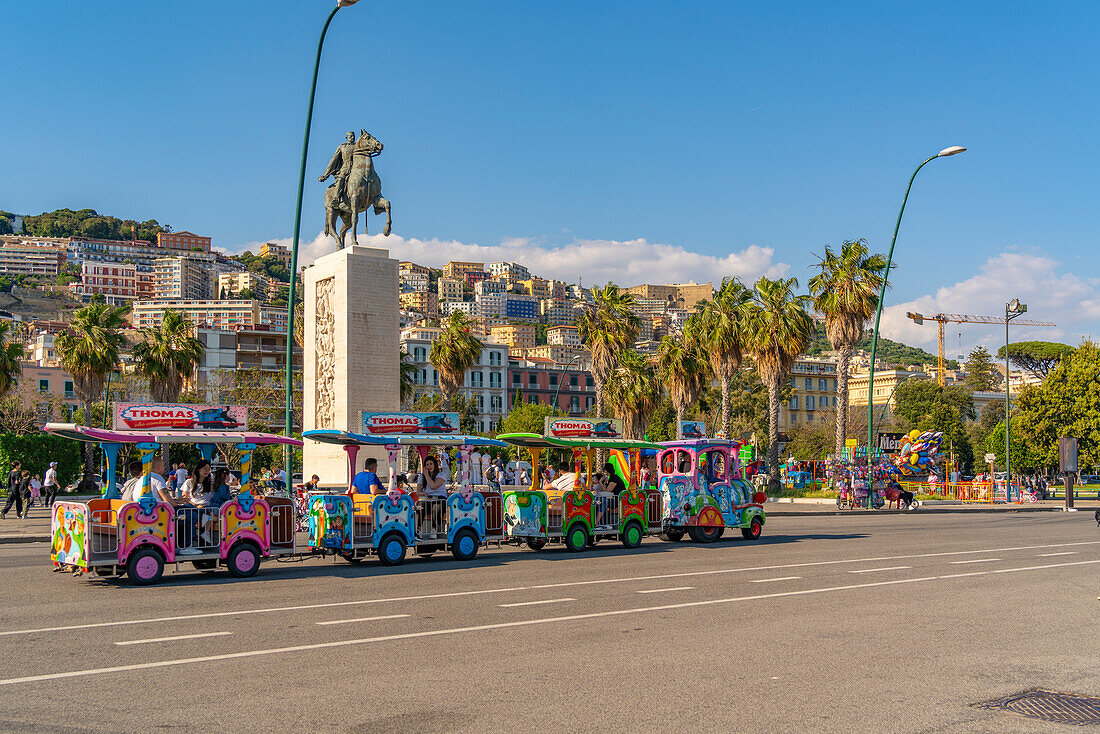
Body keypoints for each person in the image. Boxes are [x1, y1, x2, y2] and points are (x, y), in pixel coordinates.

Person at [418, 456, 447, 534]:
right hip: (428, 499)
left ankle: (434, 529)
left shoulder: (441, 474)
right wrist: (423, 493)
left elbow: (433, 486)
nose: (429, 466)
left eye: (431, 464)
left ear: (435, 464)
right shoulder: (421, 477)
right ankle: (419, 529)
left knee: (436, 508)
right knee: (420, 507)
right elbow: (418, 492)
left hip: (440, 499)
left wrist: (427, 475)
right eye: (427, 465)